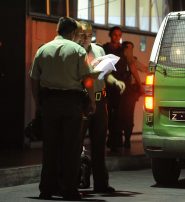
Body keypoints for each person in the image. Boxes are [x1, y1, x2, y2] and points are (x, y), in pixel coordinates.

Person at [30, 17, 96, 200]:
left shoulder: (43, 50)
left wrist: (38, 103)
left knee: (50, 148)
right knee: (71, 147)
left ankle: (47, 189)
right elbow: (87, 79)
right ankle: (69, 189)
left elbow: (34, 78)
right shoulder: (77, 50)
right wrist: (92, 100)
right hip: (71, 104)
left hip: (49, 103)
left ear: (58, 30)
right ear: (74, 33)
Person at [78, 21, 125, 193]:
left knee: (99, 145)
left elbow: (106, 74)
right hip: (82, 102)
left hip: (100, 102)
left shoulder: (98, 50)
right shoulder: (74, 52)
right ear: (76, 34)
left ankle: (101, 183)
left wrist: (115, 81)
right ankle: (72, 181)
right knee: (75, 143)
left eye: (89, 34)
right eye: (82, 34)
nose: (86, 38)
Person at [103, 26, 144, 151]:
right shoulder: (105, 48)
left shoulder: (124, 50)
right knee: (111, 114)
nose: (117, 37)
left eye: (119, 35)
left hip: (123, 86)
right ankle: (114, 140)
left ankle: (121, 140)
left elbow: (132, 66)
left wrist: (140, 85)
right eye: (115, 34)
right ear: (110, 35)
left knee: (122, 113)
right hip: (110, 85)